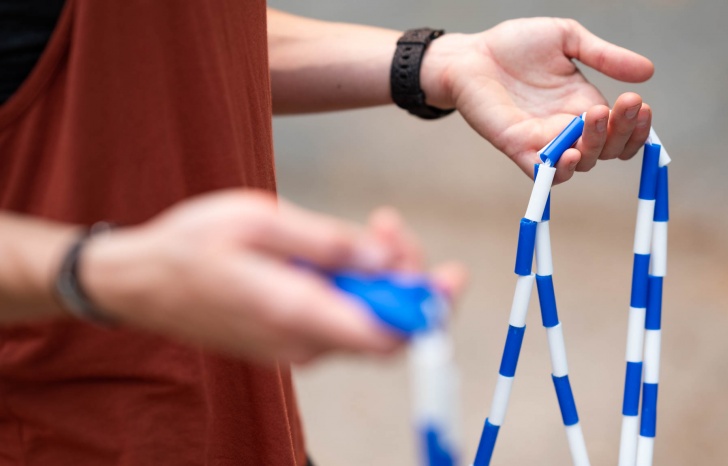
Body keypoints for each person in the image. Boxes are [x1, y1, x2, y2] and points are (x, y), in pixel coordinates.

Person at [0, 2, 654, 464]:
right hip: (67, 434)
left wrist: (441, 60)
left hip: (242, 427)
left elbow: (171, 37)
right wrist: (114, 273)